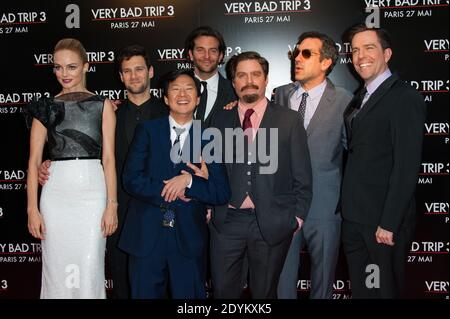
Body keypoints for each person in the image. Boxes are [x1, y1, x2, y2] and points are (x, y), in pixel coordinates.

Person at [36, 44, 168, 299]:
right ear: (120, 76)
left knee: (159, 282)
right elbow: (84, 151)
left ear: (150, 72)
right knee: (118, 280)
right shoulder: (107, 112)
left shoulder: (170, 114)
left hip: (159, 208)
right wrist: (50, 163)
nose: (134, 76)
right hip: (114, 207)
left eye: (139, 69)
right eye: (127, 71)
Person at [118, 69, 230, 299]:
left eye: (189, 89)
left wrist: (189, 182)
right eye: (176, 89)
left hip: (188, 239)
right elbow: (131, 179)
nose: (182, 94)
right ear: (166, 98)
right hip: (146, 235)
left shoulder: (208, 137)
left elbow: (221, 192)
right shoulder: (148, 131)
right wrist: (170, 189)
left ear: (198, 99)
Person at [209, 51, 313, 298]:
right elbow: (212, 169)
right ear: (233, 82)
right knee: (223, 292)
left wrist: (296, 217)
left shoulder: (288, 120)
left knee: (265, 293)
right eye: (242, 75)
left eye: (256, 74)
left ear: (266, 79)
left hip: (271, 222)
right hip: (227, 222)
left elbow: (302, 174)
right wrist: (209, 207)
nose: (249, 81)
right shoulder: (220, 119)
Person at [25, 38, 117, 299]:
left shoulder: (103, 106)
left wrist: (112, 204)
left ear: (86, 67)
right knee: (56, 268)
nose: (64, 74)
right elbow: (33, 162)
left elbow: (109, 159)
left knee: (90, 267)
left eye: (71, 67)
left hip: (93, 194)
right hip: (56, 196)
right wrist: (32, 208)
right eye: (58, 67)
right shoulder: (45, 107)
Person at [341, 24, 426, 298]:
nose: (360, 55)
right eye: (355, 50)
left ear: (386, 54)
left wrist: (389, 222)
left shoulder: (404, 97)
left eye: (369, 48)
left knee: (382, 291)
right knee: (365, 291)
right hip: (354, 218)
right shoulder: (360, 97)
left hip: (381, 223)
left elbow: (406, 165)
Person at [275, 32, 353, 299]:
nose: (297, 58)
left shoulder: (345, 100)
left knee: (323, 281)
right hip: (284, 204)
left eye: (306, 54)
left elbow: (354, 151)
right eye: (296, 52)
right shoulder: (280, 95)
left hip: (325, 205)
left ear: (326, 62)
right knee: (282, 278)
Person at [185, 26, 237, 127]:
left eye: (213, 51)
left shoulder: (235, 92)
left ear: (221, 55)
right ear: (191, 54)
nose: (207, 56)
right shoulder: (174, 91)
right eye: (200, 50)